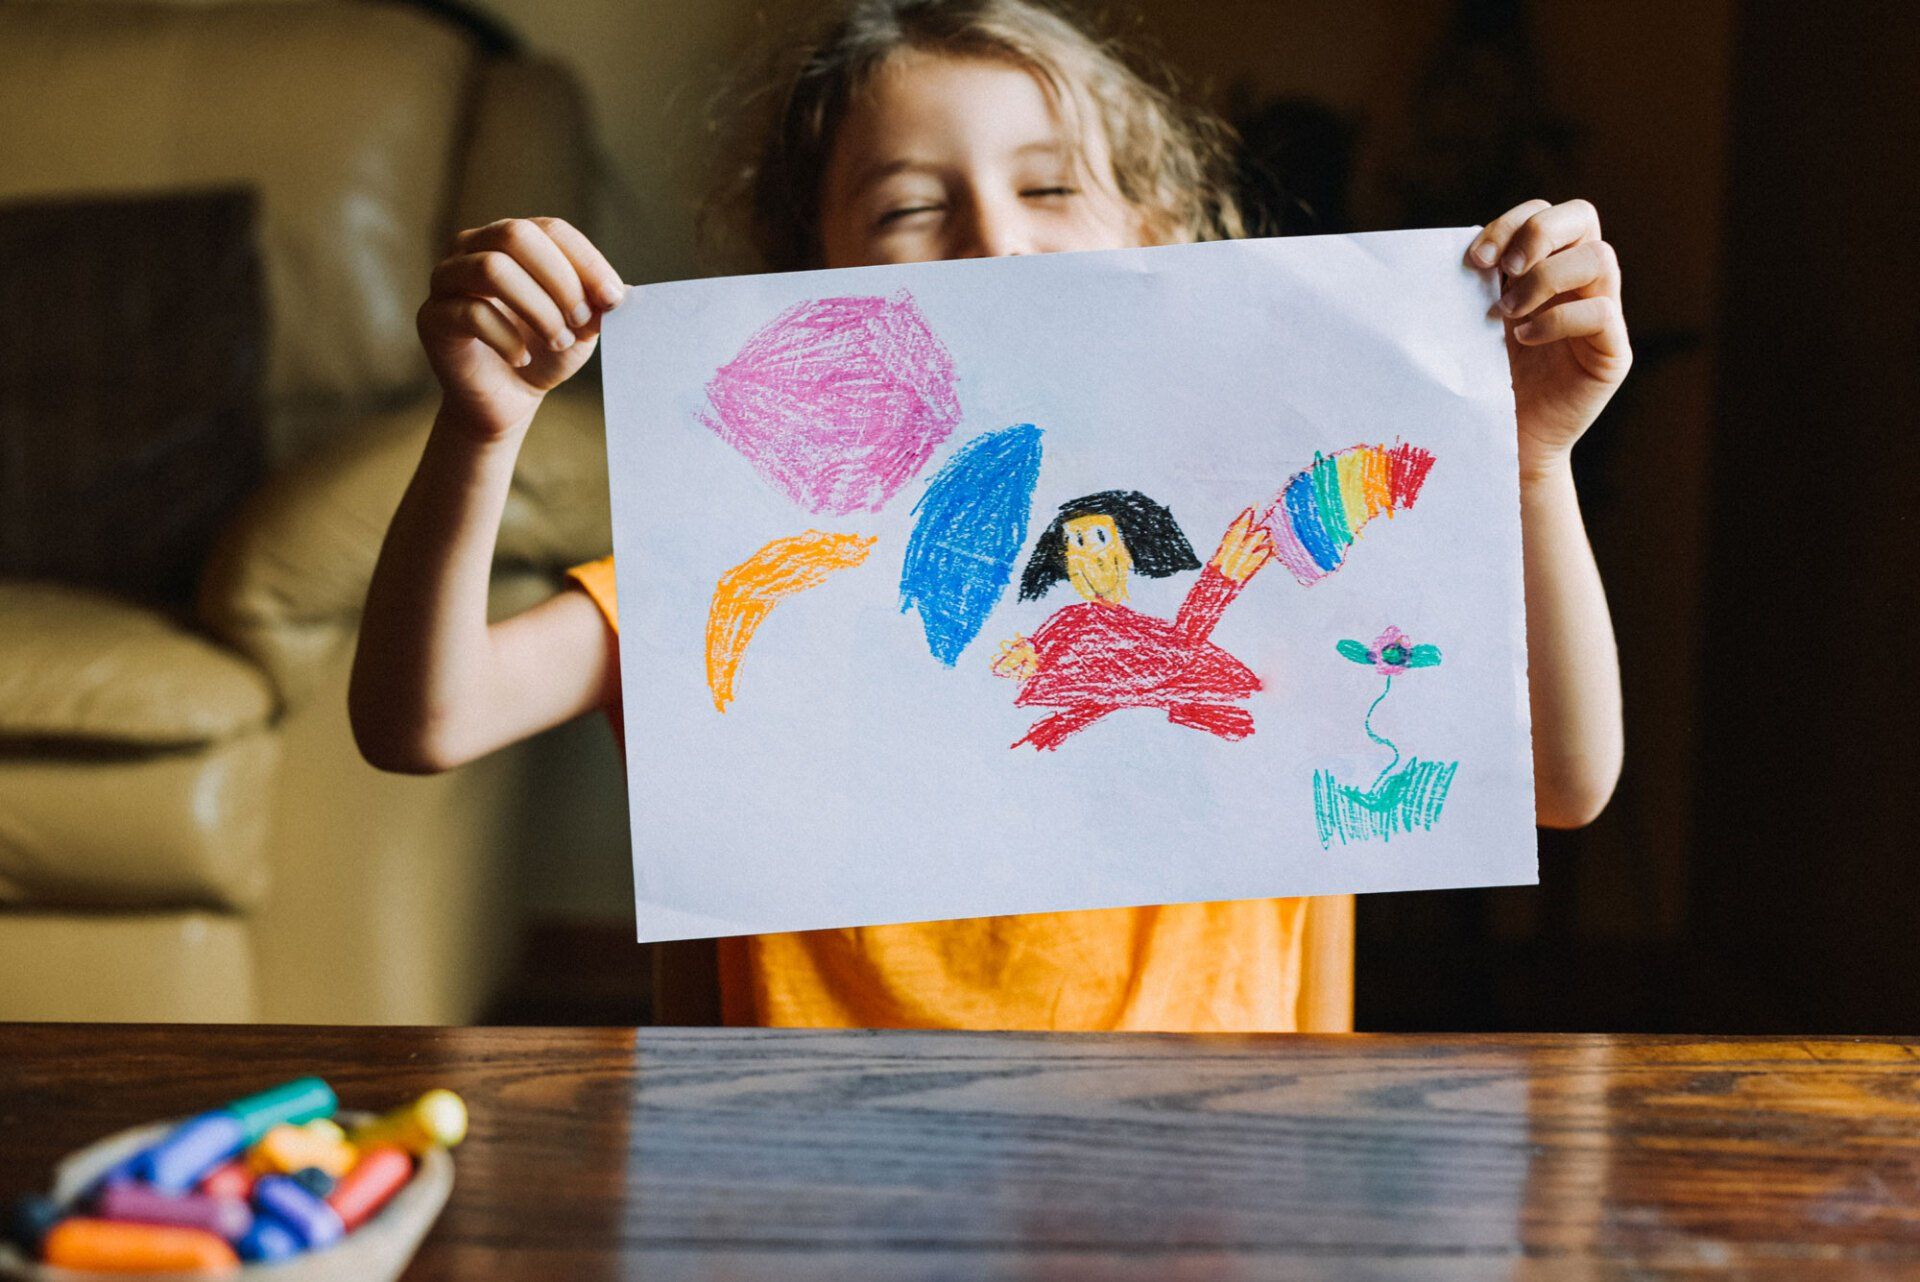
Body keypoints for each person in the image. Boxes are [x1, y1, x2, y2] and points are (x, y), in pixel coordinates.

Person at [350, 0, 1627, 1032]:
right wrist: (481, 426)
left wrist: (1530, 463)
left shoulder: (1273, 554)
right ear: (812, 277)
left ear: (1161, 232)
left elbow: (1567, 781)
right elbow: (424, 715)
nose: (993, 243)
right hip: (820, 1209)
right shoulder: (741, 583)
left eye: (1051, 189)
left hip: (1218, 1206)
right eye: (911, 205)